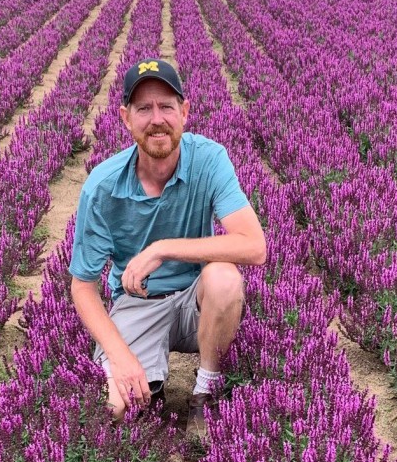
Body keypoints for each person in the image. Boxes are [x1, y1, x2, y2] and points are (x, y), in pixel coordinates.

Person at [69, 58, 267, 437]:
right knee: (116, 409)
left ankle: (204, 392)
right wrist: (120, 356)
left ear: (185, 112)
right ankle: (149, 389)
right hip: (138, 303)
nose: (156, 118)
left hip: (197, 301)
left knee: (224, 277)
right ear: (126, 118)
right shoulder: (103, 185)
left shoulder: (209, 159)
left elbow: (255, 246)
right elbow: (82, 287)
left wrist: (162, 248)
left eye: (166, 106)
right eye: (144, 108)